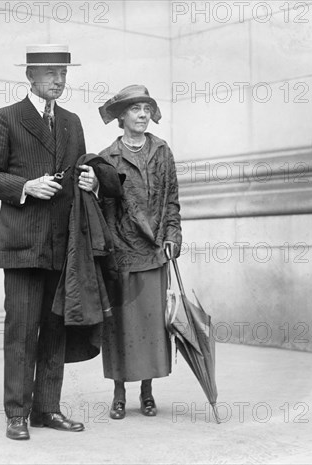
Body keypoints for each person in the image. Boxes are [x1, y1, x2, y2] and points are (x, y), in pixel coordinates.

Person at [0, 44, 98, 440]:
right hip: (23, 244)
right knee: (22, 330)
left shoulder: (72, 122)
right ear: (30, 76)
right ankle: (17, 413)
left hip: (64, 244)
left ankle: (47, 409)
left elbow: (80, 171)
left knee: (55, 329)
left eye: (62, 74)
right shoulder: (5, 118)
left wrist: (90, 181)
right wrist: (25, 186)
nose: (58, 81)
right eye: (49, 74)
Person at [97, 85, 182, 420]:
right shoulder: (107, 158)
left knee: (151, 326)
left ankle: (147, 393)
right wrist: (110, 251)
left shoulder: (162, 151)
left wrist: (173, 235)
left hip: (155, 252)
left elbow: (173, 199)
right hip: (121, 256)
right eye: (136, 109)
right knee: (119, 326)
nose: (144, 115)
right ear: (122, 116)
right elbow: (104, 212)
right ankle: (119, 394)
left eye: (147, 109)